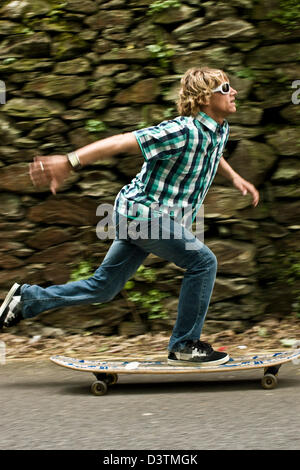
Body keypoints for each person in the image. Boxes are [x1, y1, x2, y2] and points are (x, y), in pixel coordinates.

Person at [0, 67, 259, 366]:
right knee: (202, 261)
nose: (234, 92)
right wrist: (69, 162)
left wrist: (235, 178)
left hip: (146, 216)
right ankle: (185, 345)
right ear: (204, 99)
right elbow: (121, 142)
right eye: (225, 88)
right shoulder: (179, 131)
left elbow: (212, 153)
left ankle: (27, 300)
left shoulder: (219, 128)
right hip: (143, 214)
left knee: (104, 287)